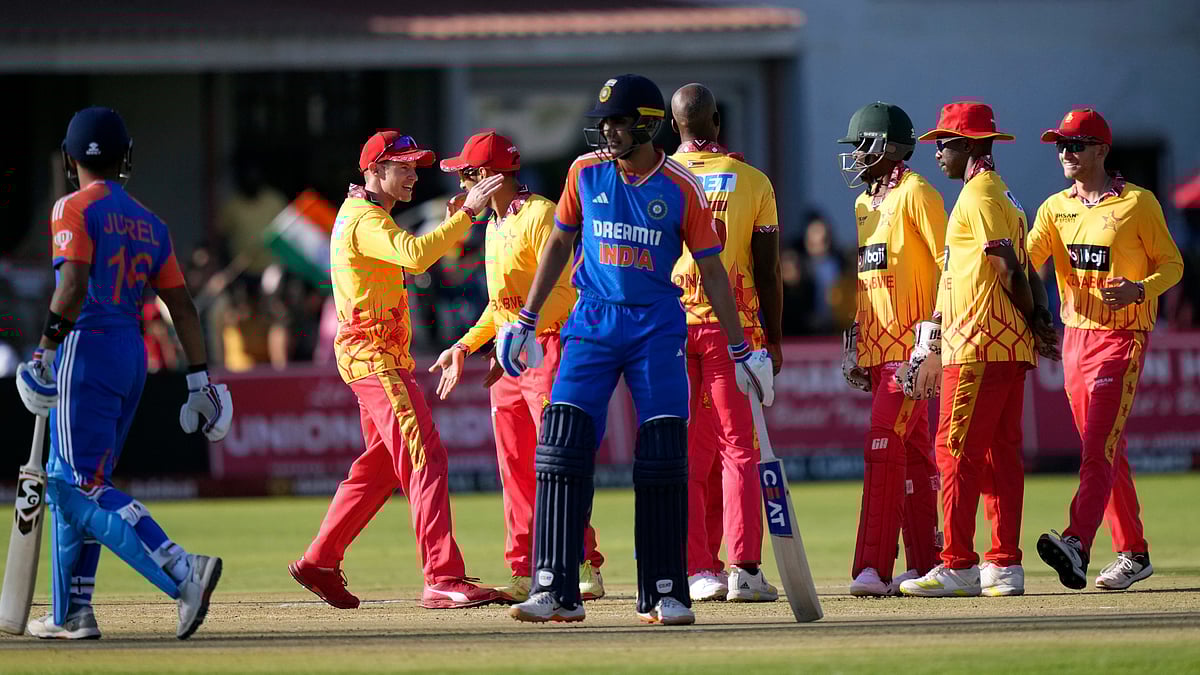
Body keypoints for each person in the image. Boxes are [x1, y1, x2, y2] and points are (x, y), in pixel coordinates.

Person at [497, 74, 774, 626]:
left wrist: (744, 347)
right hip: (592, 324)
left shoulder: (680, 187)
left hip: (656, 329)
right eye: (604, 122)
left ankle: (666, 591)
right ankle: (554, 588)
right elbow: (558, 243)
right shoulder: (585, 171)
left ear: (648, 124)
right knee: (561, 446)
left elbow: (714, 273)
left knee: (665, 456)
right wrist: (526, 319)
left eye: (620, 122)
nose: (609, 131)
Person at [15, 106, 232, 640]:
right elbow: (183, 307)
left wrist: (43, 352)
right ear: (125, 156)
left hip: (84, 349)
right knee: (85, 482)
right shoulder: (150, 222)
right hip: (131, 354)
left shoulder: (71, 208)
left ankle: (183, 571)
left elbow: (71, 288)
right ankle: (72, 613)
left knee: (71, 487)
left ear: (70, 159)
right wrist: (199, 380)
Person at [288, 131, 505, 610]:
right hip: (375, 359)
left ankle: (320, 560)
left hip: (376, 357)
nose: (412, 173)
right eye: (401, 165)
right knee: (426, 456)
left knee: (383, 466)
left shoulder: (368, 216)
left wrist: (455, 222)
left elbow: (419, 255)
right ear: (373, 171)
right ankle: (442, 577)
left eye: (414, 165)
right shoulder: (364, 218)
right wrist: (468, 212)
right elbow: (414, 255)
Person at [429, 131, 607, 604]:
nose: (461, 186)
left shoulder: (540, 214)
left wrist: (523, 333)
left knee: (557, 461)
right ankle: (526, 568)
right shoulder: (492, 224)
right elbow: (498, 305)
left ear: (487, 177)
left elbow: (568, 290)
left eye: (466, 175)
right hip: (510, 358)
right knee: (515, 468)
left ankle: (580, 561)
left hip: (551, 347)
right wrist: (466, 347)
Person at [897, 102, 1058, 598]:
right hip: (1003, 345)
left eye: (943, 143)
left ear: (969, 145)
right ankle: (1003, 563)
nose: (937, 153)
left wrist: (1036, 317)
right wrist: (1039, 322)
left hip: (980, 345)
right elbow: (1018, 266)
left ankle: (959, 563)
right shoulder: (1000, 194)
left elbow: (1008, 265)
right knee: (999, 456)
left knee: (954, 452)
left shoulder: (979, 194)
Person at [1029, 109, 1183, 591]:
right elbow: (1025, 260)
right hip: (1076, 340)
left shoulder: (1138, 203)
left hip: (1122, 339)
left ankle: (1077, 542)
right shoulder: (1055, 208)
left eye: (1075, 145)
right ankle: (1134, 553)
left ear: (1101, 150)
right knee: (1107, 450)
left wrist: (1139, 290)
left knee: (1098, 447)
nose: (1065, 154)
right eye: (1060, 145)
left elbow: (1173, 264)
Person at [667, 83, 782, 603]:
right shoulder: (753, 180)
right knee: (740, 450)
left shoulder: (657, 177)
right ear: (717, 123)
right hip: (733, 331)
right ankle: (745, 569)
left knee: (688, 455)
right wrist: (774, 342)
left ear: (675, 127)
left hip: (669, 329)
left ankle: (698, 570)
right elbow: (768, 269)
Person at [835, 102, 945, 596]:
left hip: (912, 347)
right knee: (914, 453)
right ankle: (928, 564)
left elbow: (951, 266)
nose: (857, 155)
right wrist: (858, 338)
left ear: (893, 147)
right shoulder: (865, 204)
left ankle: (873, 567)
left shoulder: (918, 192)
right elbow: (871, 277)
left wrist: (935, 334)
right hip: (880, 349)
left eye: (864, 145)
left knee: (881, 441)